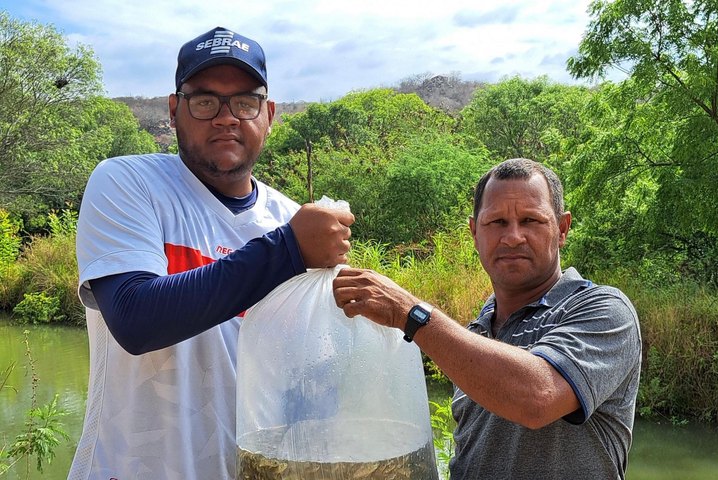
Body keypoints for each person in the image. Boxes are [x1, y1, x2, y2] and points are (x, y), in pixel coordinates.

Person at [68, 27, 354, 480]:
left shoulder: (290, 218)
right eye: (204, 101)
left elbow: (309, 384)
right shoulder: (127, 183)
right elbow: (135, 318)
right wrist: (289, 249)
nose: (226, 117)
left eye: (245, 102)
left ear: (270, 114)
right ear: (173, 110)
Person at [332, 158, 642, 479]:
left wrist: (410, 313)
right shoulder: (478, 329)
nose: (513, 237)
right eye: (496, 222)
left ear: (562, 229)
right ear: (474, 232)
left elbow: (537, 397)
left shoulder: (603, 310)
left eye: (531, 220)